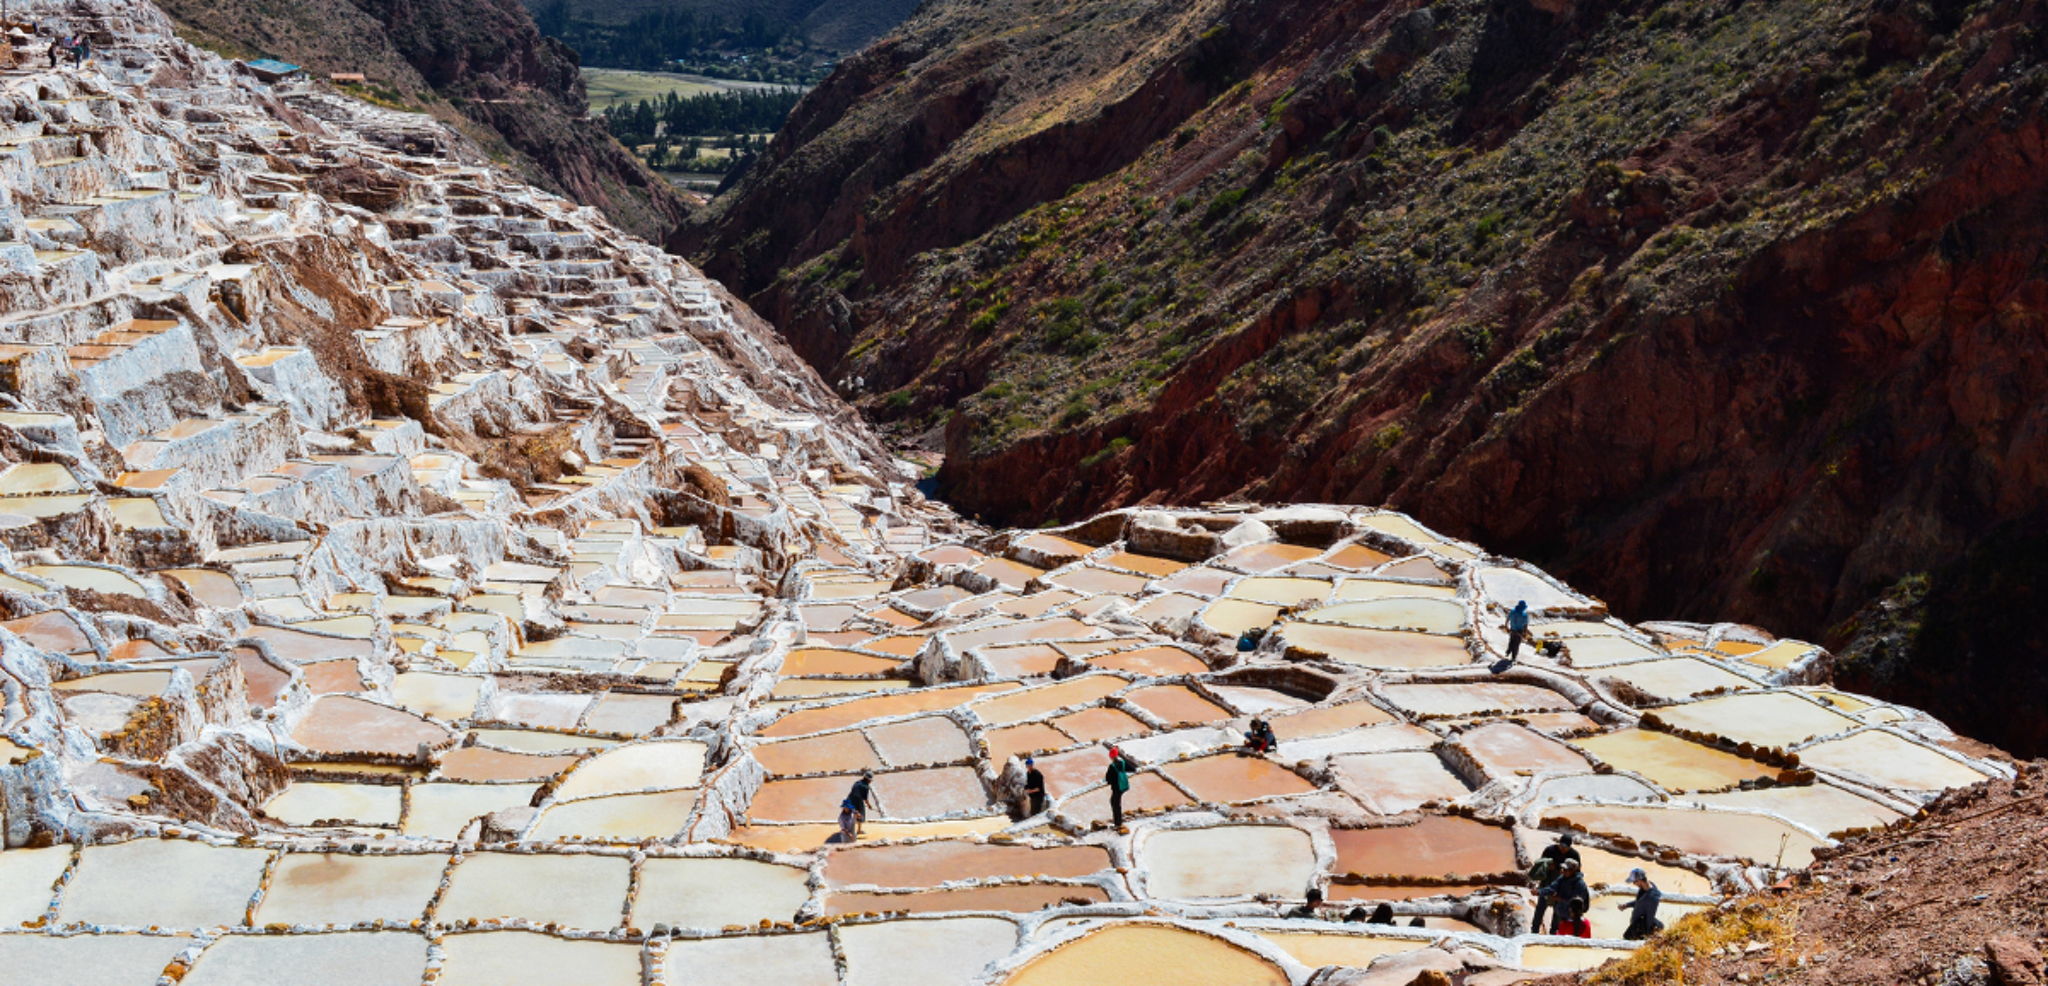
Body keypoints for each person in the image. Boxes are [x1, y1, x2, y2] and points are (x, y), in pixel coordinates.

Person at [1527, 833, 1580, 933]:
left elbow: (1578, 871)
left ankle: (1553, 933)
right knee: (1540, 909)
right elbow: (1540, 864)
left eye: (1566, 847)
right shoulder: (1550, 850)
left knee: (1557, 913)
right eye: (1562, 846)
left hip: (1563, 887)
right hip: (1548, 882)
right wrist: (1548, 866)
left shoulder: (1574, 855)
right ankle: (1534, 931)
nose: (1563, 849)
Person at [1534, 858, 1590, 935]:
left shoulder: (1580, 884)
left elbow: (1577, 902)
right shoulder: (1562, 878)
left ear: (1573, 870)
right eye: (1563, 869)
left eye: (1566, 870)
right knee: (1555, 932)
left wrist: (1559, 899)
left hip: (1572, 917)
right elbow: (1552, 888)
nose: (1563, 871)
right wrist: (1539, 892)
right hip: (1560, 912)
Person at [1618, 868, 1663, 940]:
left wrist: (1646, 936)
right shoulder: (1644, 888)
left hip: (1641, 925)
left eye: (1634, 882)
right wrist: (1627, 905)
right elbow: (1639, 902)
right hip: (1637, 922)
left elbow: (1650, 916)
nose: (1634, 884)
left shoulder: (1652, 897)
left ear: (1640, 880)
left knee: (1626, 937)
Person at [1104, 746, 1133, 830]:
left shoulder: (1112, 766)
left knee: (1115, 803)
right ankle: (1118, 821)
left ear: (1111, 756)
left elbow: (1108, 779)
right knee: (1117, 803)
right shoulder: (1123, 763)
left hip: (1117, 788)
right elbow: (1133, 769)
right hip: (1123, 786)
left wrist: (1113, 780)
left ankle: (1118, 823)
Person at [844, 769, 877, 836]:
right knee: (860, 814)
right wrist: (869, 805)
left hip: (850, 798)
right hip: (857, 801)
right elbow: (865, 798)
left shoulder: (857, 782)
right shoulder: (865, 786)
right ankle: (858, 830)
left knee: (851, 814)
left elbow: (852, 791)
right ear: (868, 780)